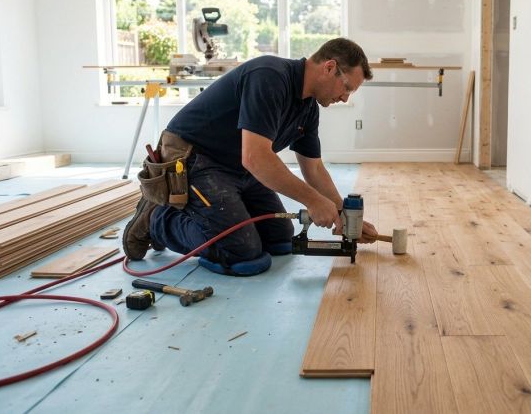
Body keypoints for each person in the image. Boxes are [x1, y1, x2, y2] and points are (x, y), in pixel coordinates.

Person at [123, 37, 378, 276]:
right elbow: (255, 158)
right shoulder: (269, 76)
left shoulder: (308, 107)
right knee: (241, 254)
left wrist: (342, 213)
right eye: (346, 88)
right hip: (194, 159)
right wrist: (313, 201)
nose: (345, 98)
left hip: (237, 167)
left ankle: (218, 221)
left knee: (280, 240)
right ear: (330, 67)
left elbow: (313, 168)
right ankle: (158, 219)